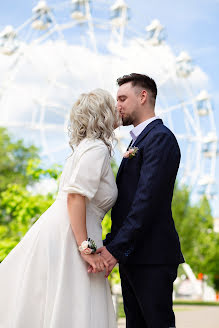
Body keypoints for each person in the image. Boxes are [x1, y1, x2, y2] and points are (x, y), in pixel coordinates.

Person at [0, 89, 120, 328]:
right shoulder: (96, 149)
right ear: (103, 114)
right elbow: (75, 196)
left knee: (60, 301)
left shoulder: (82, 149)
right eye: (112, 104)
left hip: (64, 229)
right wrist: (86, 248)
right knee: (76, 304)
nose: (118, 108)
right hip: (75, 233)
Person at [97, 73, 185, 328]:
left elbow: (147, 201)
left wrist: (114, 249)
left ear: (143, 96)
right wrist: (111, 244)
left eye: (123, 98)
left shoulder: (160, 138)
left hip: (152, 257)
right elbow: (126, 205)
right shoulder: (140, 141)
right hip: (134, 255)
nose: (118, 106)